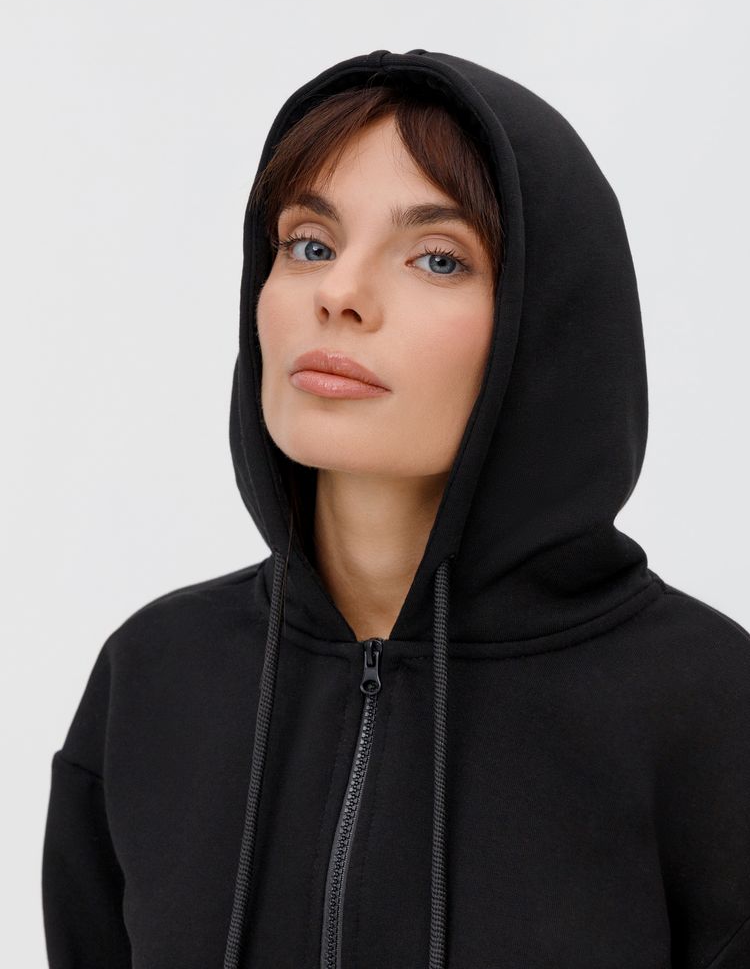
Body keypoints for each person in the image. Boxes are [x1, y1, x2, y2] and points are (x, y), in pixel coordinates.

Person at [42, 48, 750, 969]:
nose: (338, 294)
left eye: (438, 258)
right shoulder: (154, 676)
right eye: (309, 244)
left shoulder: (708, 706)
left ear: (545, 322)